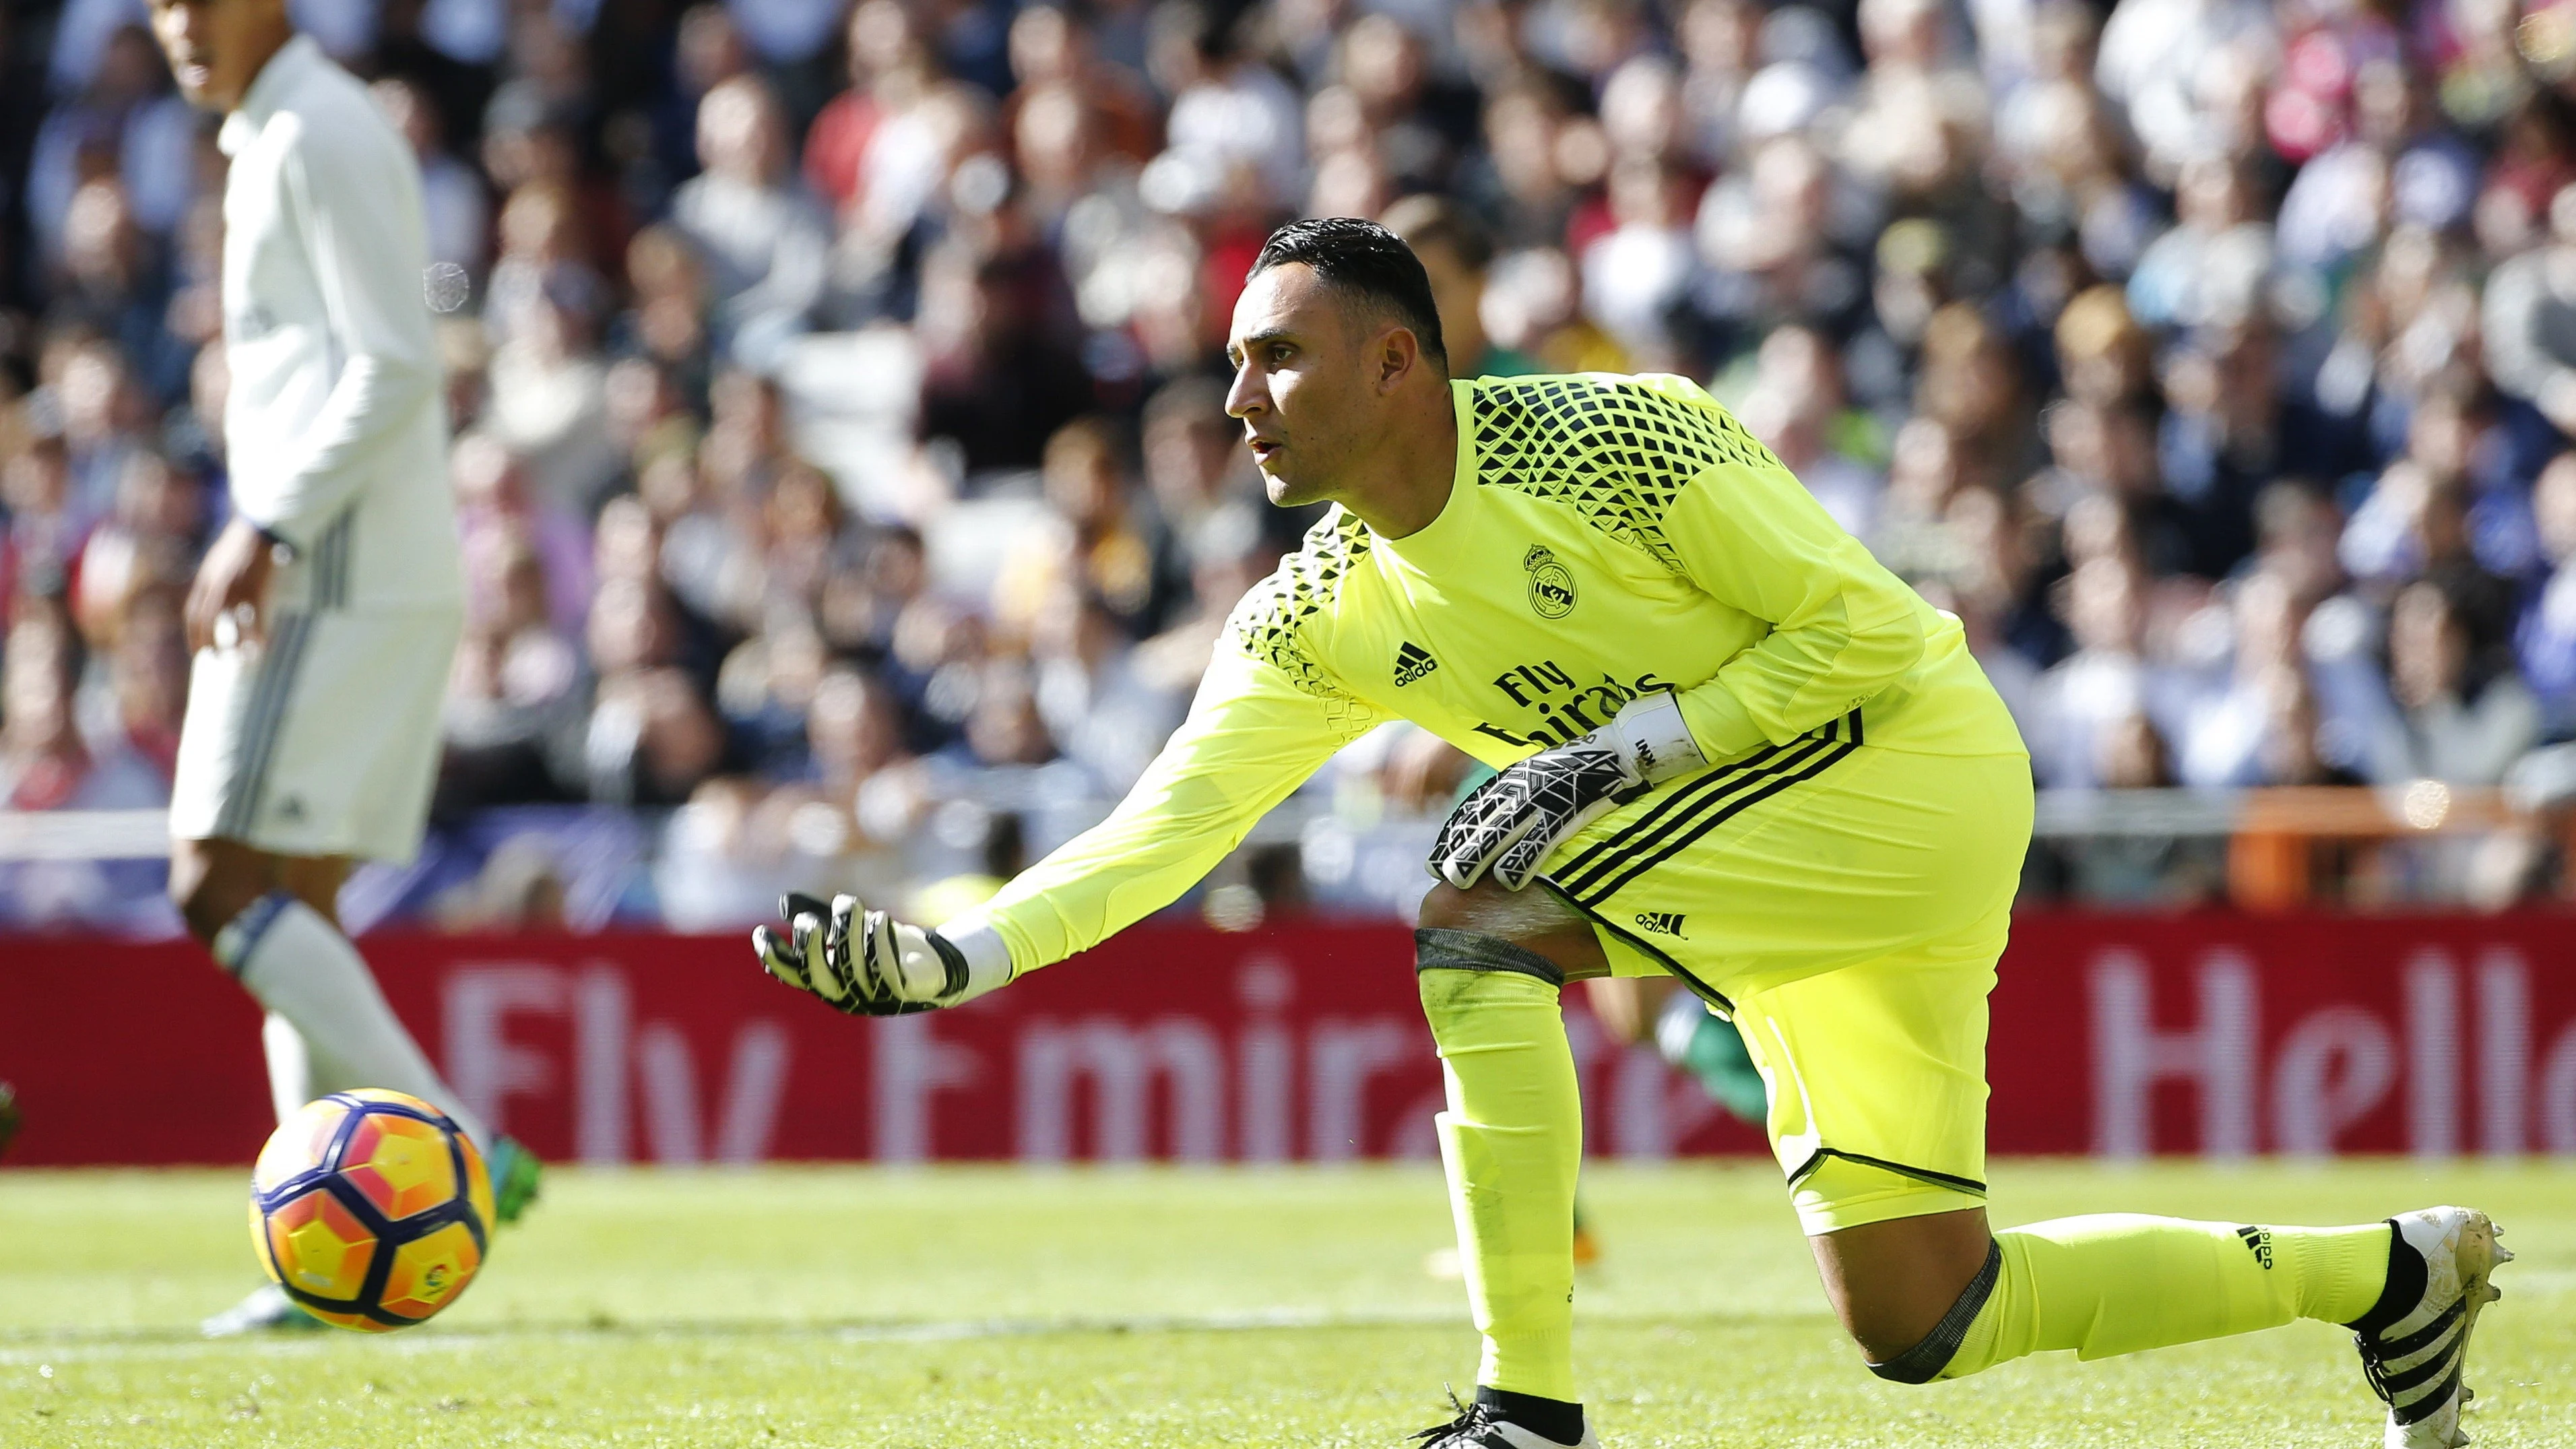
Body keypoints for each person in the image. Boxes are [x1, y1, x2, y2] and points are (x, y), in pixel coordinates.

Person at [748, 219, 2507, 1449]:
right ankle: (2395, 1272)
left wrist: (1624, 746)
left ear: (1398, 358)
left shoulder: (1615, 438)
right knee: (1927, 1316)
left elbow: (1879, 640)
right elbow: (1163, 830)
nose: (1240, 401)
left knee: (1476, 915)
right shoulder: (1315, 612)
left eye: (1275, 358)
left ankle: (1527, 1401)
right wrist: (957, 951)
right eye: (1232, 366)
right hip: (1788, 886)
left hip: (1908, 768)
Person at [142, 0, 542, 1337]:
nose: (179, 25)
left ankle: (465, 1151)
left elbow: (396, 361)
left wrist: (267, 523)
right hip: (355, 564)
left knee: (214, 882)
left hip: (335, 569)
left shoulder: (319, 129)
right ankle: (321, 1267)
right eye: (157, 4)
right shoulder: (280, 130)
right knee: (292, 901)